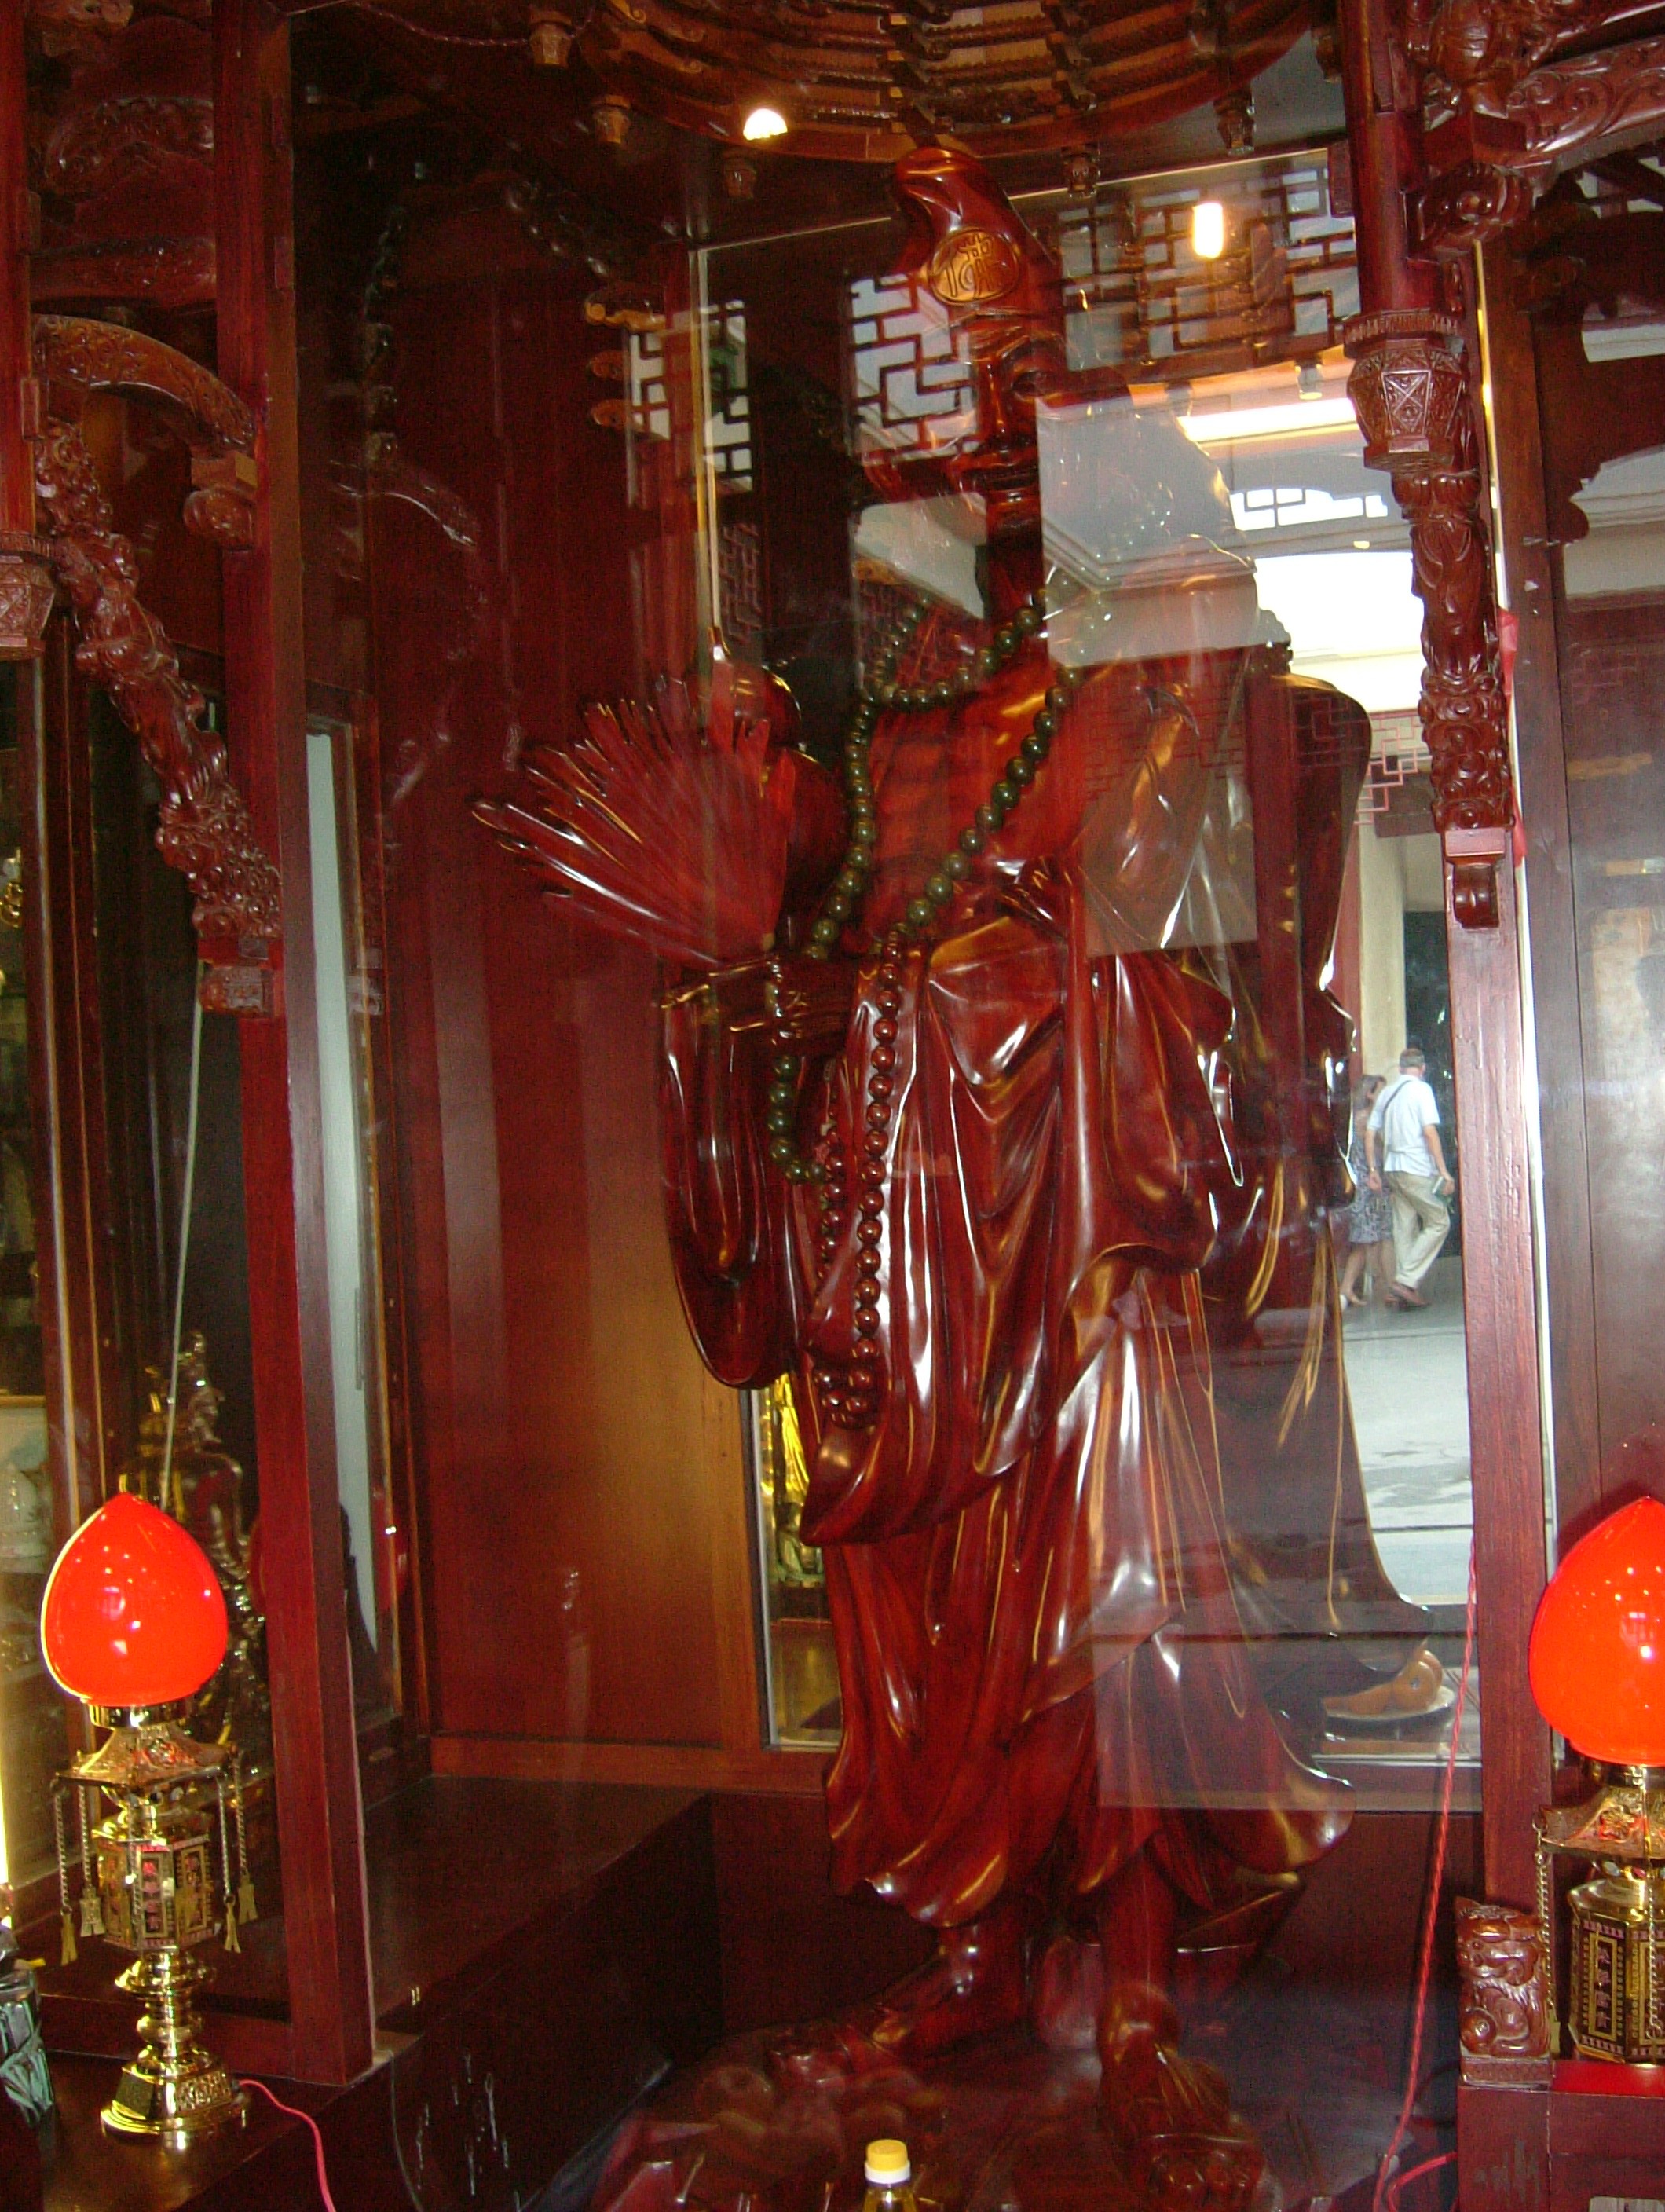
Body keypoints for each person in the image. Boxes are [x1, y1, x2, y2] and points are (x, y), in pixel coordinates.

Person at [484, 148, 1353, 2097]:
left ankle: (1137, 1974)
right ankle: (969, 1949)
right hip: (907, 1258)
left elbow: (1166, 951)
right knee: (927, 1629)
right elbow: (815, 968)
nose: (983, 455)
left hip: (1075, 1246)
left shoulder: (1162, 661)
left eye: (1019, 408)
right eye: (946, 415)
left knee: (1113, 1595)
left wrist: (900, 999)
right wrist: (757, 979)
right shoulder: (895, 727)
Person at [1364, 1042, 1455, 1309]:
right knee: (1439, 1221)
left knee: (1404, 1226)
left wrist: (1372, 1170)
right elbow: (1429, 1132)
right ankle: (1404, 1282)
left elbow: (1370, 1132)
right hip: (1415, 1167)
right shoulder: (1421, 1090)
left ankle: (1403, 1288)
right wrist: (1443, 1171)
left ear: (1401, 1069)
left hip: (1392, 1168)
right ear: (1423, 1068)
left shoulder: (1387, 1092)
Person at [1336, 1073, 1396, 1309]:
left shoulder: (1361, 1118)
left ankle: (1350, 1287)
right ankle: (1352, 1286)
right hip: (1365, 1188)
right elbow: (1376, 1151)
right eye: (1381, 1090)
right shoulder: (1365, 1120)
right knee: (1368, 1241)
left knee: (1367, 1242)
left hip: (1365, 1187)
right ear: (1370, 1094)